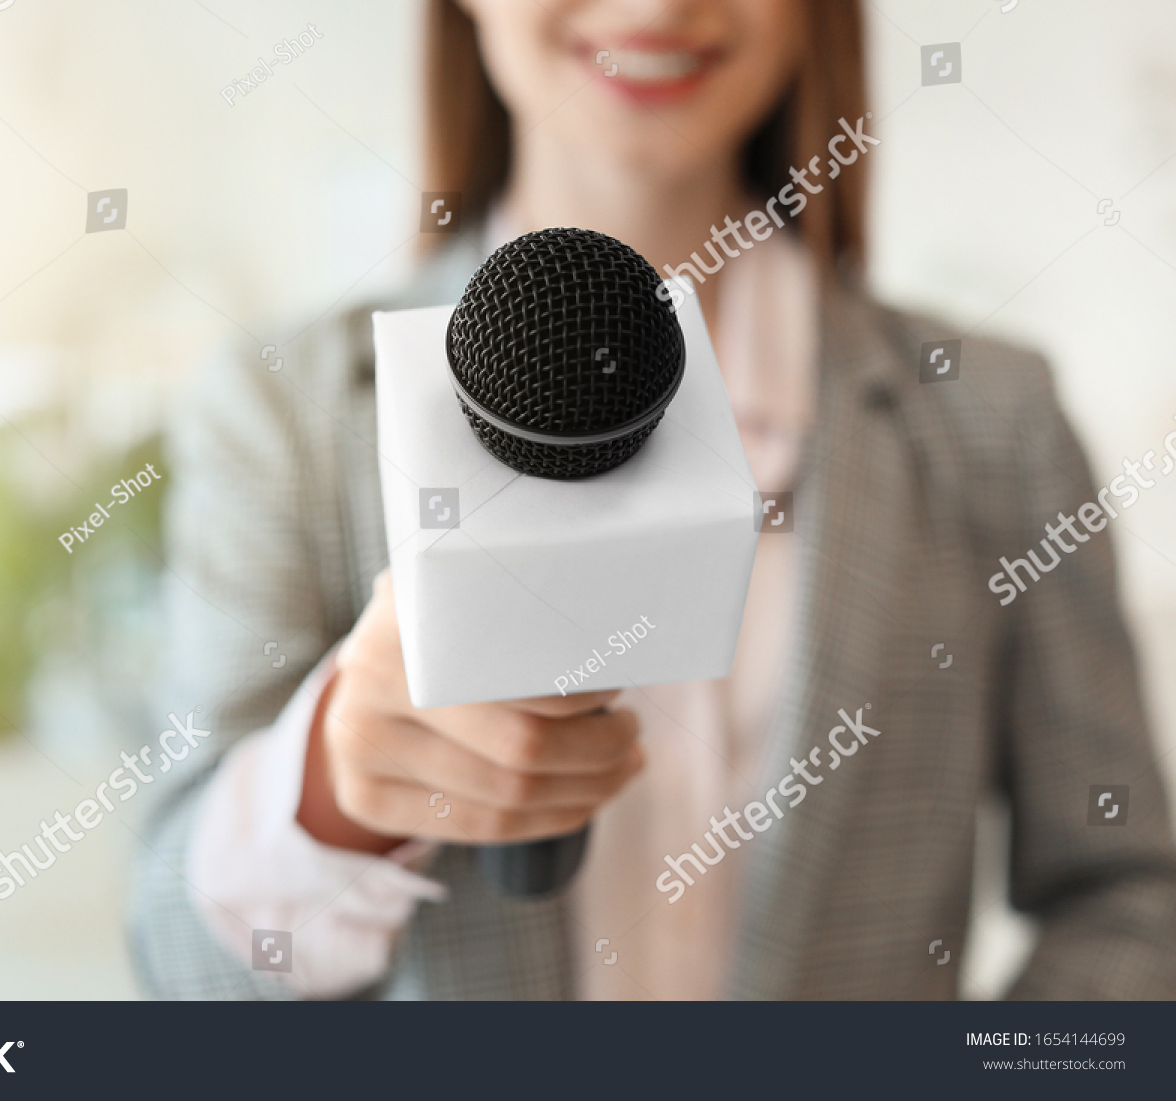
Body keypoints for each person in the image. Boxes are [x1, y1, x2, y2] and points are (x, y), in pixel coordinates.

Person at [130, 0, 1176, 999]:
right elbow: (180, 968)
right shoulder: (285, 409)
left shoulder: (995, 419)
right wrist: (332, 796)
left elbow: (1128, 895)